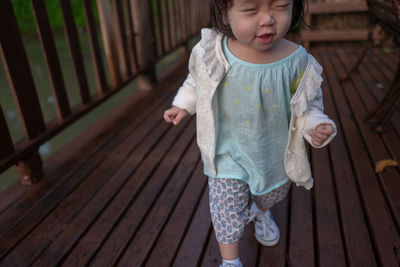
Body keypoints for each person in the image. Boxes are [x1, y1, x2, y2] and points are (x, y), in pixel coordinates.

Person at [163, 0, 337, 266]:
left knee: (271, 193)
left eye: (280, 6)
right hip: (227, 152)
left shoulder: (297, 61)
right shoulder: (213, 51)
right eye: (250, 10)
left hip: (272, 151)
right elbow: (197, 81)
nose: (267, 19)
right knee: (227, 211)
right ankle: (230, 261)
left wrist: (316, 124)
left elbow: (306, 102)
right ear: (225, 13)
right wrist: (182, 105)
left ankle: (260, 211)